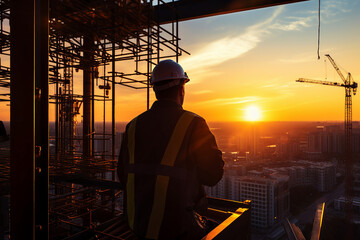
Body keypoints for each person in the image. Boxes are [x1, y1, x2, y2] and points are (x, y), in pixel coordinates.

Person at [117, 59, 224, 240]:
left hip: (138, 225)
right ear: (181, 89)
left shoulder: (133, 126)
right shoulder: (193, 124)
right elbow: (213, 175)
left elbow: (122, 174)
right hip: (179, 228)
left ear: (155, 89)